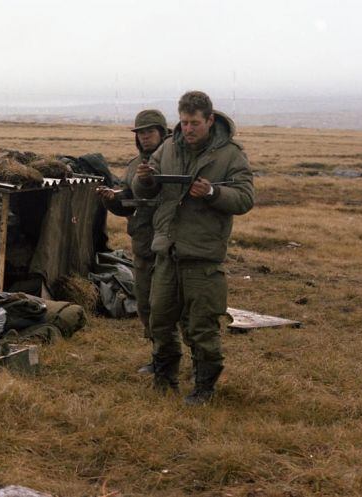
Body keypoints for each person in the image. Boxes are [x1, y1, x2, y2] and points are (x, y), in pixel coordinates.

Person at [133, 91, 254, 405]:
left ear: (210, 120)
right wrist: (145, 179)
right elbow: (144, 190)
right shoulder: (168, 148)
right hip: (167, 251)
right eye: (184, 122)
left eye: (195, 123)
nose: (188, 129)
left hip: (202, 256)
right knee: (159, 319)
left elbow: (244, 198)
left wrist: (213, 192)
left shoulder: (230, 155)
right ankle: (164, 378)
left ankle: (204, 388)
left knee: (201, 325)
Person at [97, 109, 169, 374]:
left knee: (173, 305)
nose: (145, 136)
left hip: (172, 245)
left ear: (163, 132)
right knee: (147, 304)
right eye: (141, 132)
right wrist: (112, 200)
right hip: (143, 244)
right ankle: (159, 356)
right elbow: (129, 204)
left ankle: (186, 359)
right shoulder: (133, 165)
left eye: (150, 131)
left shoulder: (174, 160)